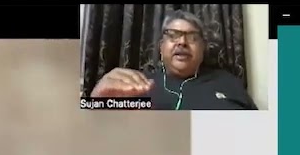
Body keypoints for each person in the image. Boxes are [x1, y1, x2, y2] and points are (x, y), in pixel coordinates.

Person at [91, 9, 258, 110]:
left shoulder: (229, 83)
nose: (182, 42)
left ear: (203, 48)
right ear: (161, 47)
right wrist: (94, 104)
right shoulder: (132, 86)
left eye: (192, 37)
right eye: (173, 35)